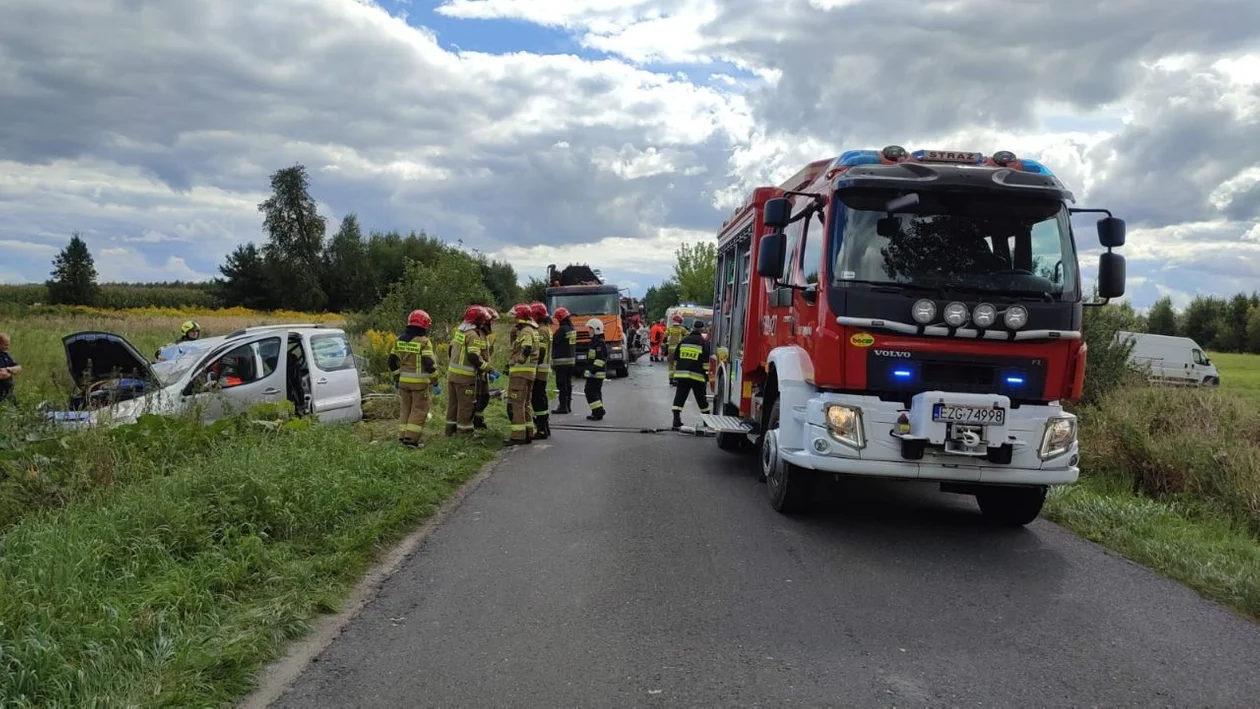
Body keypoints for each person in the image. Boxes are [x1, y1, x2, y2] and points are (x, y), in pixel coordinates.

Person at [386, 309, 438, 447]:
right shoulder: (424, 342)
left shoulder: (398, 340)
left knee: (405, 409)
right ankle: (411, 440)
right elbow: (429, 364)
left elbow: (391, 361)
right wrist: (435, 382)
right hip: (420, 384)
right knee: (419, 410)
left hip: (404, 383)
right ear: (425, 325)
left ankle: (402, 437)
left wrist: (397, 377)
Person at [446, 306, 492, 436]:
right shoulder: (473, 334)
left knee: (453, 405)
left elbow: (450, 350)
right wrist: (487, 368)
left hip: (452, 375)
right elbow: (473, 356)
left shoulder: (460, 331)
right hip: (465, 378)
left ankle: (450, 431)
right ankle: (464, 433)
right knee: (466, 406)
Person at [670, 319, 712, 429]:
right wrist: (706, 376)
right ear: (702, 329)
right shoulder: (703, 343)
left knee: (679, 398)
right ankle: (706, 423)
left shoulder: (684, 340)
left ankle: (676, 421)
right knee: (702, 400)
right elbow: (706, 362)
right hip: (696, 376)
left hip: (682, 375)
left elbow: (676, 357)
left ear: (693, 328)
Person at [505, 303, 537, 445]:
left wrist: (518, 361)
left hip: (520, 374)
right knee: (526, 404)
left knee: (516, 403)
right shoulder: (532, 329)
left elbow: (527, 348)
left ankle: (518, 436)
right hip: (529, 374)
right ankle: (529, 432)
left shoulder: (526, 332)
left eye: (515, 317)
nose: (513, 320)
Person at [529, 302, 552, 439]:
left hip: (540, 371)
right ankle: (545, 428)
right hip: (544, 370)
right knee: (541, 398)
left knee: (537, 399)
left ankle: (542, 429)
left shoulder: (541, 330)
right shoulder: (546, 329)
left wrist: (534, 365)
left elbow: (541, 350)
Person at [473, 307, 498, 430]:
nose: (492, 323)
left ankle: (478, 419)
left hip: (484, 372)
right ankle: (474, 421)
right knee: (476, 398)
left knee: (484, 397)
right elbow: (476, 356)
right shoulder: (476, 334)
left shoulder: (485, 334)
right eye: (491, 321)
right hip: (477, 372)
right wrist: (488, 369)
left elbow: (486, 354)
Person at [550, 307, 576, 414]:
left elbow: (554, 343)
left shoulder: (561, 330)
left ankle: (562, 407)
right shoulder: (571, 329)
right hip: (570, 361)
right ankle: (568, 405)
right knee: (568, 384)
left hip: (561, 362)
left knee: (562, 385)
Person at [583, 317, 608, 420]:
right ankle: (597, 412)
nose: (588, 331)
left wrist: (592, 370)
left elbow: (601, 359)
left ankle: (599, 410)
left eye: (590, 329)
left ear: (596, 329)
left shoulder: (599, 343)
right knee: (595, 392)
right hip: (594, 373)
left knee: (590, 392)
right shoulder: (595, 341)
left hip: (596, 373)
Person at [0, 332, 22, 408]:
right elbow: (2, 375)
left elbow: (19, 367)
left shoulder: (5, 355)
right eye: (5, 345)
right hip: (1, 389)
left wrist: (9, 369)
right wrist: (10, 372)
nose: (8, 347)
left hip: (8, 391)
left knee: (18, 407)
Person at [665, 314, 686, 383]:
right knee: (676, 364)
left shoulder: (670, 329)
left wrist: (665, 347)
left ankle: (670, 378)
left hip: (670, 349)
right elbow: (688, 336)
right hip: (678, 349)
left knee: (671, 364)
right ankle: (675, 379)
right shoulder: (682, 329)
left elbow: (665, 338)